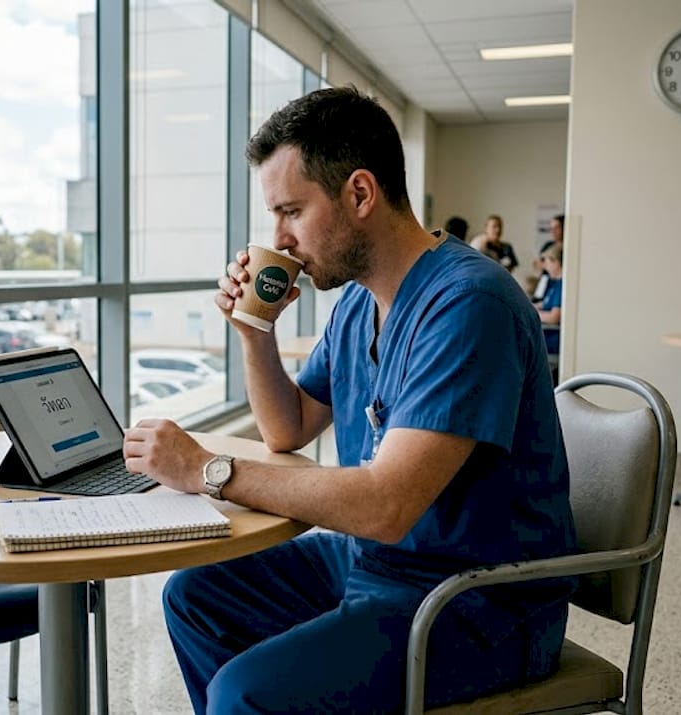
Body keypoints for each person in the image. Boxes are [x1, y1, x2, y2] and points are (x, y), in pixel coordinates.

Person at [121, 87, 576, 713]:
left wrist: (205, 470)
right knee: (196, 597)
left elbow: (386, 506)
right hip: (379, 565)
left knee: (243, 693)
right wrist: (257, 332)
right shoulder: (360, 302)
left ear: (360, 194)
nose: (278, 239)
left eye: (291, 212)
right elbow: (288, 428)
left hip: (475, 601)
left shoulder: (470, 304)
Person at [536, 245, 563, 355]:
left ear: (556, 262)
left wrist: (532, 313)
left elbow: (554, 317)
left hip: (551, 337)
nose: (546, 268)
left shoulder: (561, 285)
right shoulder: (555, 284)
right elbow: (544, 303)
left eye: (548, 263)